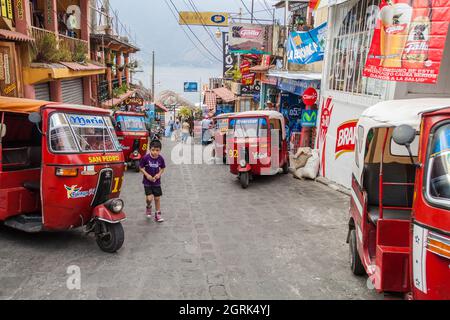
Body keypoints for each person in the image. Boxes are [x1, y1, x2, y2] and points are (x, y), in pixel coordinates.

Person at [140, 139, 166, 222]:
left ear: (160, 150)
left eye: (157, 150)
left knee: (157, 198)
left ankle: (158, 214)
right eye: (153, 150)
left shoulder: (160, 158)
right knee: (149, 199)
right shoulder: (146, 158)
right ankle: (148, 206)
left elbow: (163, 168)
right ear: (150, 149)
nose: (155, 152)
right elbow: (141, 167)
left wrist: (159, 174)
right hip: (147, 182)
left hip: (156, 182)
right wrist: (146, 175)